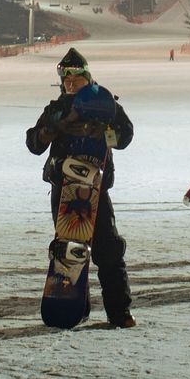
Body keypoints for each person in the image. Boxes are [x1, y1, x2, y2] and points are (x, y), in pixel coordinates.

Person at [26, 47, 135, 328]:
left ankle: (119, 310)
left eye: (77, 80)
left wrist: (106, 134)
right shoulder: (56, 109)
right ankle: (73, 307)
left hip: (95, 190)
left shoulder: (107, 105)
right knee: (69, 252)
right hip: (64, 189)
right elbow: (33, 144)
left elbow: (125, 135)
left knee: (108, 251)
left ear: (88, 78)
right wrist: (54, 128)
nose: (71, 85)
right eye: (67, 81)